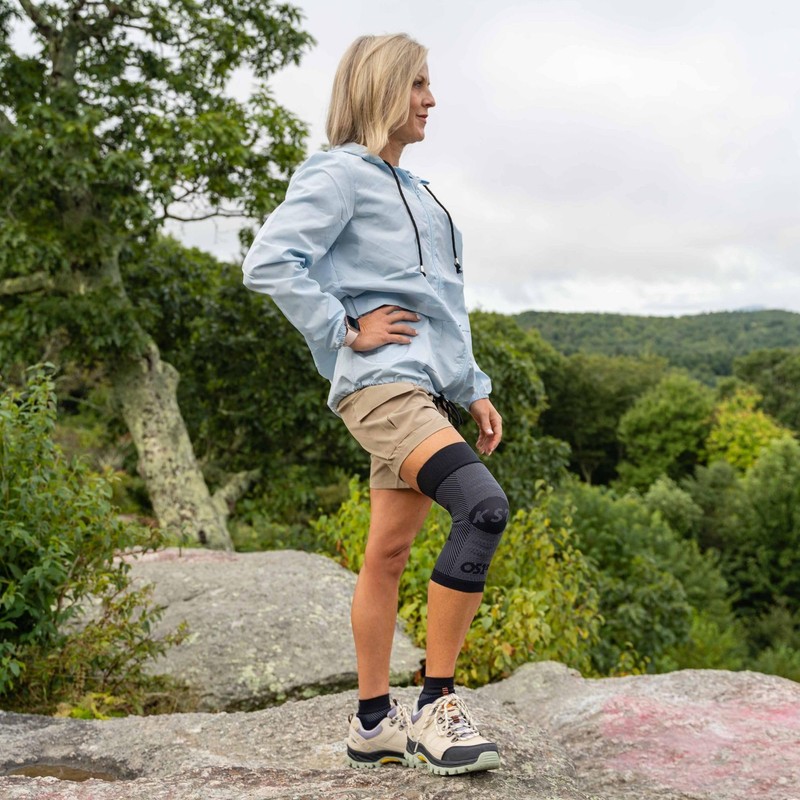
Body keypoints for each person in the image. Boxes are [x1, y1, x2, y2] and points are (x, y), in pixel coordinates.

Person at [242, 33, 508, 776]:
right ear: (382, 89)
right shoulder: (338, 175)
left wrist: (473, 388)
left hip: (427, 390)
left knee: (386, 555)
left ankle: (371, 725)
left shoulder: (417, 189)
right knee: (482, 507)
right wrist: (344, 328)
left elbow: (441, 303)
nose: (431, 99)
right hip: (380, 387)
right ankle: (435, 707)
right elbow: (268, 261)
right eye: (418, 83)